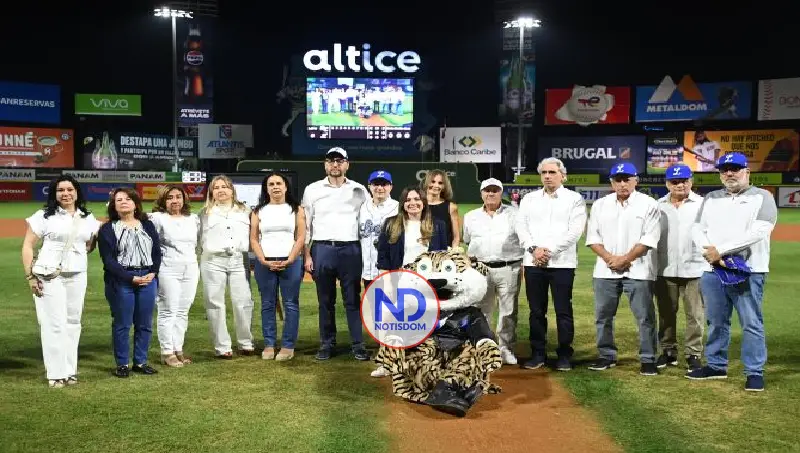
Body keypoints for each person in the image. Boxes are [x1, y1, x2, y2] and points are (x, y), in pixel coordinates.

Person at [687, 152, 777, 392]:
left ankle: (754, 371)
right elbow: (697, 228)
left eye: (735, 168)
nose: (729, 173)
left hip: (749, 270)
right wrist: (710, 253)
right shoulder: (711, 197)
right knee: (716, 321)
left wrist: (722, 251)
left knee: (751, 323)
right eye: (725, 169)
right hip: (713, 270)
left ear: (747, 172)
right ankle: (716, 365)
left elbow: (760, 230)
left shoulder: (763, 197)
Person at [21, 175, 100, 388]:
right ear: (54, 194)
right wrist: (30, 276)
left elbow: (90, 244)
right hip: (48, 275)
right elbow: (28, 246)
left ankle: (70, 370)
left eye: (69, 189)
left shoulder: (87, 217)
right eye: (60, 190)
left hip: (77, 274)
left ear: (76, 192)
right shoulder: (44, 216)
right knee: (53, 323)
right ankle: (55, 374)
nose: (65, 194)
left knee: (73, 323)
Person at [585, 163, 661, 376]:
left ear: (636, 180)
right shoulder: (600, 205)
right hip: (605, 270)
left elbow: (649, 238)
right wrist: (611, 259)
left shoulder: (648, 204)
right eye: (618, 179)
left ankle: (648, 358)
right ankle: (606, 355)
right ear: (611, 182)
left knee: (645, 317)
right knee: (603, 316)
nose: (622, 183)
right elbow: (593, 238)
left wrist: (625, 259)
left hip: (639, 270)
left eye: (627, 179)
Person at [515, 158, 586, 371]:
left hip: (562, 264)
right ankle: (538, 353)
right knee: (536, 311)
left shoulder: (574, 199)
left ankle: (564, 354)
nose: (547, 176)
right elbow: (521, 226)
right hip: (533, 262)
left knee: (563, 310)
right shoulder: (529, 199)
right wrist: (533, 249)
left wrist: (549, 251)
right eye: (544, 172)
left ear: (562, 175)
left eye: (552, 172)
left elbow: (575, 231)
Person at [371, 185, 449, 377]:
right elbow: (383, 257)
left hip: (426, 284)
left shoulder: (438, 225)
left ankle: (425, 363)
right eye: (408, 200)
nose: (412, 203)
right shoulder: (391, 224)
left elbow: (442, 256)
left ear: (423, 202)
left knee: (425, 324)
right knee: (390, 324)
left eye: (416, 199)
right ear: (403, 204)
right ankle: (388, 364)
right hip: (398, 281)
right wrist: (387, 284)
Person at [302, 147, 370, 361]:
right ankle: (326, 343)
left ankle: (357, 344)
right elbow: (306, 226)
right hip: (322, 248)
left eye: (339, 161)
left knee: (352, 299)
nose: (335, 165)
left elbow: (367, 221)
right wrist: (307, 255)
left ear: (347, 164)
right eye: (331, 161)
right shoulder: (312, 189)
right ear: (325, 164)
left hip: (351, 249)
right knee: (325, 300)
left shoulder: (359, 190)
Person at [98, 188, 162, 378]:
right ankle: (122, 364)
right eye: (119, 200)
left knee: (145, 323)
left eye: (128, 199)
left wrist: (153, 272)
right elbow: (108, 261)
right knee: (123, 323)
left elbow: (156, 252)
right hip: (121, 281)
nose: (124, 202)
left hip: (148, 278)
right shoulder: (108, 229)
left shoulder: (147, 225)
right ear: (113, 206)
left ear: (135, 204)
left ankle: (141, 362)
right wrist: (130, 277)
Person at [463, 178, 524, 366]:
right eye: (487, 190)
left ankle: (505, 348)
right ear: (481, 193)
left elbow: (523, 238)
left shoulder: (515, 214)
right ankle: (486, 348)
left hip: (509, 266)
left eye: (495, 190)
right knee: (482, 311)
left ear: (501, 193)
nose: (491, 194)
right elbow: (467, 239)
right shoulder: (471, 216)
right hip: (480, 268)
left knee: (508, 310)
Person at [250, 172, 306, 361]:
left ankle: (288, 346)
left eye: (278, 183)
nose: (275, 187)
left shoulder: (296, 209)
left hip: (290, 262)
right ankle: (269, 344)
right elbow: (254, 239)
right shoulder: (258, 211)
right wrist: (263, 260)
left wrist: (291, 258)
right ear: (266, 188)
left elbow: (301, 237)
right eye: (271, 184)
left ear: (285, 186)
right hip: (265, 263)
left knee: (290, 304)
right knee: (267, 304)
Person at [654, 163, 705, 371]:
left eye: (684, 180)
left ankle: (693, 353)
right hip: (665, 268)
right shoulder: (657, 206)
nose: (680, 185)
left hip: (696, 268)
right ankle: (668, 351)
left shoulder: (702, 205)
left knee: (695, 314)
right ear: (667, 184)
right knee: (666, 313)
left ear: (691, 181)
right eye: (675, 181)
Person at [200, 175, 255, 359]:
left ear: (232, 190)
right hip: (213, 261)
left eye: (225, 186)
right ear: (211, 192)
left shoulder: (245, 210)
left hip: (239, 259)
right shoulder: (204, 213)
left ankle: (245, 342)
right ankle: (222, 346)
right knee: (215, 303)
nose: (221, 190)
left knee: (244, 301)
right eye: (216, 188)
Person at [150, 185, 201, 368]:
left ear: (184, 199)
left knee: (182, 310)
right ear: (164, 200)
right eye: (170, 197)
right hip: (168, 268)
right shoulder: (157, 218)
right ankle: (167, 352)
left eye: (178, 197)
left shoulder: (193, 219)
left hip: (191, 268)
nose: (175, 201)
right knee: (168, 310)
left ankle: (178, 348)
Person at [359, 169, 399, 290]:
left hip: (390, 270)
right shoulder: (362, 207)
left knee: (391, 306)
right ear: (369, 186)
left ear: (391, 187)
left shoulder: (398, 208)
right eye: (376, 184)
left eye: (384, 184)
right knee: (371, 306)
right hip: (368, 270)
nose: (380, 188)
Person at [422, 169, 461, 248]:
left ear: (444, 186)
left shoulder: (451, 207)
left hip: (444, 255)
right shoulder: (419, 205)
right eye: (433, 182)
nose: (436, 185)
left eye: (440, 183)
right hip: (422, 253)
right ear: (427, 182)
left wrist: (452, 254)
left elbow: (456, 238)